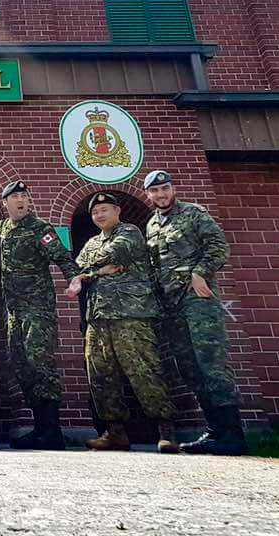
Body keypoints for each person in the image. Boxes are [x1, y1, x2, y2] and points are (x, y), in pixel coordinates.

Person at [0, 181, 85, 450]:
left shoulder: (40, 228)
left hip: (36, 309)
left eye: (23, 196)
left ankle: (52, 431)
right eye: (13, 197)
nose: (19, 200)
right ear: (5, 203)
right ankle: (39, 428)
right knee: (22, 366)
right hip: (14, 312)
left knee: (40, 363)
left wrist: (73, 279)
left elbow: (62, 257)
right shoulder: (4, 227)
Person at [143, 169, 247, 456]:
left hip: (197, 300)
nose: (161, 195)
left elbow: (218, 246)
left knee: (210, 362)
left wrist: (200, 273)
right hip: (172, 305)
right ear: (148, 194)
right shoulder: (152, 225)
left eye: (165, 189)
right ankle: (214, 432)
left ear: (172, 190)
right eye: (155, 191)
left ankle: (232, 434)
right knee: (189, 366)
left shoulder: (193, 213)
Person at [75, 192, 178, 454]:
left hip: (131, 314)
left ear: (117, 211)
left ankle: (166, 431)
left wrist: (91, 271)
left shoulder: (130, 232)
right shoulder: (91, 242)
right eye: (96, 213)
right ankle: (114, 433)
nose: (100, 215)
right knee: (100, 374)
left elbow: (115, 252)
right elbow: (77, 265)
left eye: (105, 210)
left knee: (143, 369)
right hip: (98, 317)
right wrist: (96, 271)